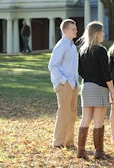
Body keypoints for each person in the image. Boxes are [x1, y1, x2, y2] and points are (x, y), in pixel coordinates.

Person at [77, 21, 114, 160]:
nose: (104, 34)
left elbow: (80, 71)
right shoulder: (100, 50)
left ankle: (81, 150)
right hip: (99, 87)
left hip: (86, 86)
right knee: (99, 121)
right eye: (103, 31)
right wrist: (112, 91)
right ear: (98, 33)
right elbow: (106, 73)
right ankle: (98, 152)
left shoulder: (82, 50)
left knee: (85, 119)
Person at [48, 18, 79, 149]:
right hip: (64, 85)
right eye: (73, 29)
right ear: (65, 30)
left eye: (75, 28)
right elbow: (52, 65)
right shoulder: (61, 45)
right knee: (64, 113)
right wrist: (63, 81)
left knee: (72, 113)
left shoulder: (72, 45)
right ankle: (58, 142)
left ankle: (69, 142)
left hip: (73, 84)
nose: (76, 31)